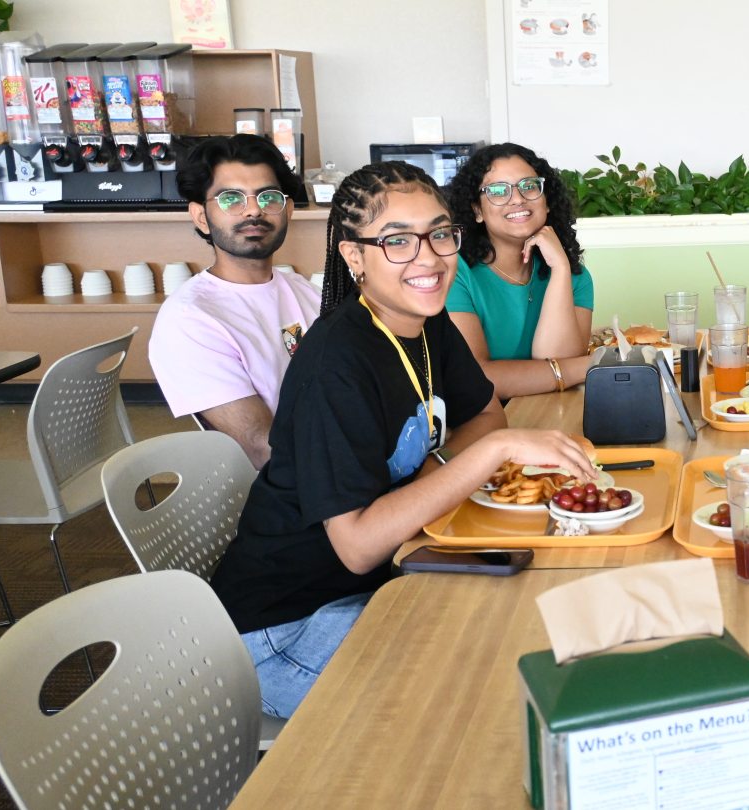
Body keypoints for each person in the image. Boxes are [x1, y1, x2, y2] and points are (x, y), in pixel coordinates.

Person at [209, 161, 597, 718]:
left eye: (440, 234)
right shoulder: (336, 365)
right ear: (353, 255)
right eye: (397, 241)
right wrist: (485, 457)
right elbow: (360, 544)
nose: (428, 258)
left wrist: (432, 475)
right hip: (289, 631)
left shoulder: (424, 319)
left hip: (388, 572)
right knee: (488, 697)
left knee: (531, 628)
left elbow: (486, 412)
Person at [148, 134, 320, 469]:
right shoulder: (190, 320)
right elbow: (263, 448)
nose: (254, 210)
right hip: (288, 495)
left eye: (269, 197)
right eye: (231, 199)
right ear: (200, 216)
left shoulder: (304, 291)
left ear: (288, 210)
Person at [445, 143, 594, 399]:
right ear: (477, 211)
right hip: (481, 419)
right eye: (498, 191)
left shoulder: (575, 276)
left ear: (547, 202)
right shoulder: (454, 272)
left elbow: (559, 360)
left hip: (546, 410)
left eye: (529, 186)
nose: (517, 198)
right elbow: (476, 377)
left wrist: (559, 269)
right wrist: (589, 365)